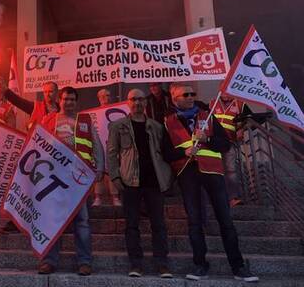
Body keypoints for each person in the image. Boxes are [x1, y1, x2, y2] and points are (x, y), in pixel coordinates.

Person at [164, 83, 258, 282]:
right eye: (185, 94)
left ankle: (238, 267)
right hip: (187, 174)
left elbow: (224, 144)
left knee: (226, 221)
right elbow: (165, 153)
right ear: (175, 99)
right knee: (194, 222)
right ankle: (200, 266)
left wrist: (207, 138)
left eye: (192, 94)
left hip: (213, 173)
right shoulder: (168, 122)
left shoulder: (207, 116)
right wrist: (184, 152)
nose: (190, 97)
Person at [37, 86, 104, 276]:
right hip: (54, 177)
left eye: (72, 100)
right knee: (52, 219)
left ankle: (84, 262)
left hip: (79, 179)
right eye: (65, 99)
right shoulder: (48, 119)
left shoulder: (85, 120)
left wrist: (99, 167)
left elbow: (96, 144)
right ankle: (48, 261)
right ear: (60, 100)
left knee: (82, 221)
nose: (68, 102)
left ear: (77, 102)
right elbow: (38, 143)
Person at [107, 88, 174, 278]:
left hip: (154, 183)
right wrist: (115, 178)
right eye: (133, 99)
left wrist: (167, 177)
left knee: (159, 224)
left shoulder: (156, 126)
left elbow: (165, 153)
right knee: (132, 225)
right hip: (130, 182)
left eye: (141, 99)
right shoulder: (118, 126)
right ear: (128, 103)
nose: (137, 103)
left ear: (145, 102)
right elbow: (111, 154)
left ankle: (162, 264)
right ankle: (136, 264)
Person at [0, 78, 60, 233]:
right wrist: (6, 91)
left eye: (50, 91)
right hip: (32, 157)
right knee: (23, 190)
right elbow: (18, 101)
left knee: (44, 193)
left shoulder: (62, 111)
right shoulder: (35, 107)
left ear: (57, 93)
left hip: (52, 161)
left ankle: (43, 222)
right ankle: (15, 222)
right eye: (44, 92)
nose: (47, 94)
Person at [210, 93, 248, 207]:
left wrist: (242, 129)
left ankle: (232, 198)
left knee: (230, 170)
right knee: (214, 171)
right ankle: (216, 198)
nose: (225, 95)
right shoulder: (213, 102)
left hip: (229, 141)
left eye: (228, 92)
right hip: (214, 142)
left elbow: (250, 119)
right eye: (223, 91)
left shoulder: (241, 103)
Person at [92, 88, 122, 207]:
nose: (106, 98)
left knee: (112, 170)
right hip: (98, 146)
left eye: (108, 95)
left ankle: (115, 197)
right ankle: (98, 197)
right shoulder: (93, 114)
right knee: (99, 170)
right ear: (99, 98)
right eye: (103, 96)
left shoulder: (116, 112)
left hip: (112, 145)